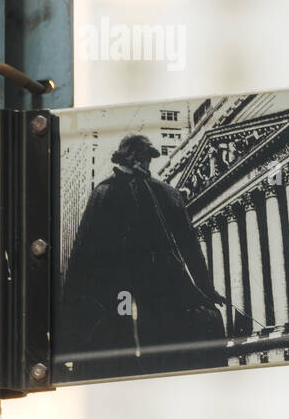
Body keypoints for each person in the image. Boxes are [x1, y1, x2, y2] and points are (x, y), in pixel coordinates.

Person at [60, 134, 227, 379]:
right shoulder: (106, 192)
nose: (146, 163)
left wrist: (205, 287)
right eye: (141, 156)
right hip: (123, 289)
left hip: (155, 286)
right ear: (127, 157)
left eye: (148, 158)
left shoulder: (163, 193)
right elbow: (83, 252)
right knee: (129, 339)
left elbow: (189, 245)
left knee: (161, 341)